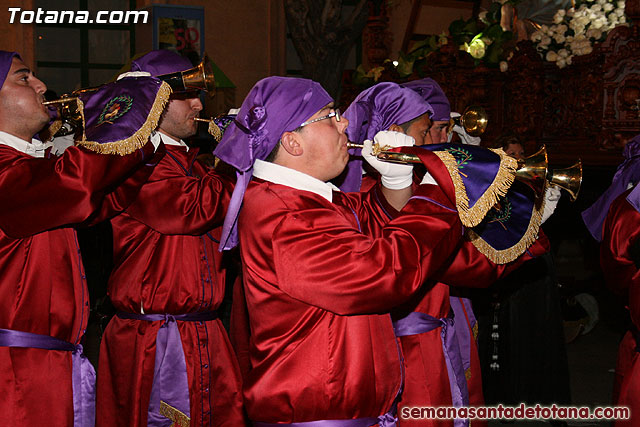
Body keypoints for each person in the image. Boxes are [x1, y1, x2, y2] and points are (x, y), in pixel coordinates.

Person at [214, 76, 471, 424]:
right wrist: (440, 188)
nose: (345, 122)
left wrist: (395, 181)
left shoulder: (304, 199)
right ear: (291, 141)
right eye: (329, 115)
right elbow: (382, 274)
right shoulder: (284, 219)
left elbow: (369, 220)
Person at [0, 50, 162, 425]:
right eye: (23, 78)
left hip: (47, 363)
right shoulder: (7, 172)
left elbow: (99, 203)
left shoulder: (29, 168)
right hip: (15, 372)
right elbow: (76, 182)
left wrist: (144, 146)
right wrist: (126, 110)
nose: (41, 86)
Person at [96, 50, 244, 427]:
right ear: (152, 100)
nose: (198, 104)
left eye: (199, 94)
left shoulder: (191, 160)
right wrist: (236, 158)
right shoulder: (137, 160)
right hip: (157, 341)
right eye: (185, 95)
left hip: (204, 330)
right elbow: (190, 208)